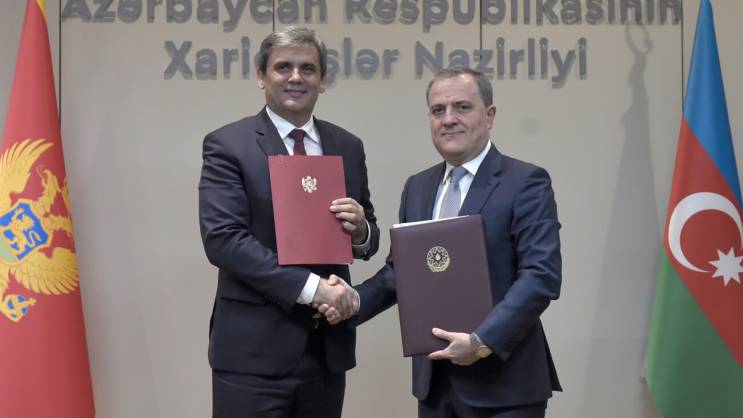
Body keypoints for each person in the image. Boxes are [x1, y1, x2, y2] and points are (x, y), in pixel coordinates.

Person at [322, 68, 562, 418]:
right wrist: (353, 300)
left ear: (489, 115)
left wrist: (480, 342)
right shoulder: (418, 187)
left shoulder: (525, 182)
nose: (448, 119)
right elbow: (401, 272)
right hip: (435, 386)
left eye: (462, 107)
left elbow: (541, 276)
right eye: (438, 110)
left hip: (504, 387)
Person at [198, 26, 379, 418]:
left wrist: (362, 230)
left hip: (326, 351)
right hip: (252, 355)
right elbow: (223, 240)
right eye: (283, 67)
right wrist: (313, 288)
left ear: (323, 80)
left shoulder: (347, 146)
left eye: (307, 69)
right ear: (261, 76)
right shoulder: (228, 145)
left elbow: (368, 234)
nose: (296, 77)